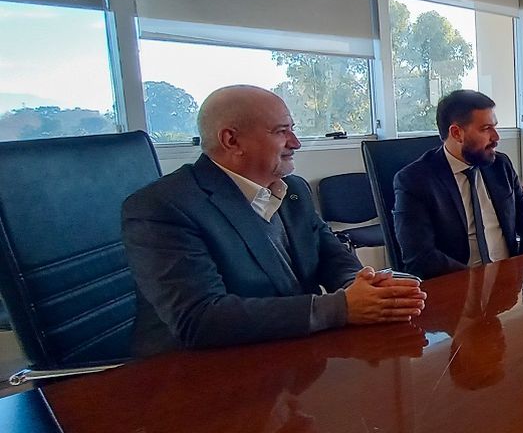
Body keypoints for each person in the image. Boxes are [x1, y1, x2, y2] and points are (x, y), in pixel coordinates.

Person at [122, 85, 426, 357]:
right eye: (281, 131)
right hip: (195, 377)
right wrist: (341, 307)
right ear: (231, 140)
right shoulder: (163, 206)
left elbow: (330, 255)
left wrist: (364, 287)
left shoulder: (293, 190)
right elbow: (200, 318)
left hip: (288, 358)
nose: (296, 142)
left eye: (292, 129)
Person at [394, 90, 523, 279]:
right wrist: (479, 281)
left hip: (510, 281)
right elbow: (420, 257)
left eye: (495, 127)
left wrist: (520, 269)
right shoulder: (415, 180)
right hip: (456, 286)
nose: (496, 137)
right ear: (456, 133)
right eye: (486, 129)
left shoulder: (500, 166)